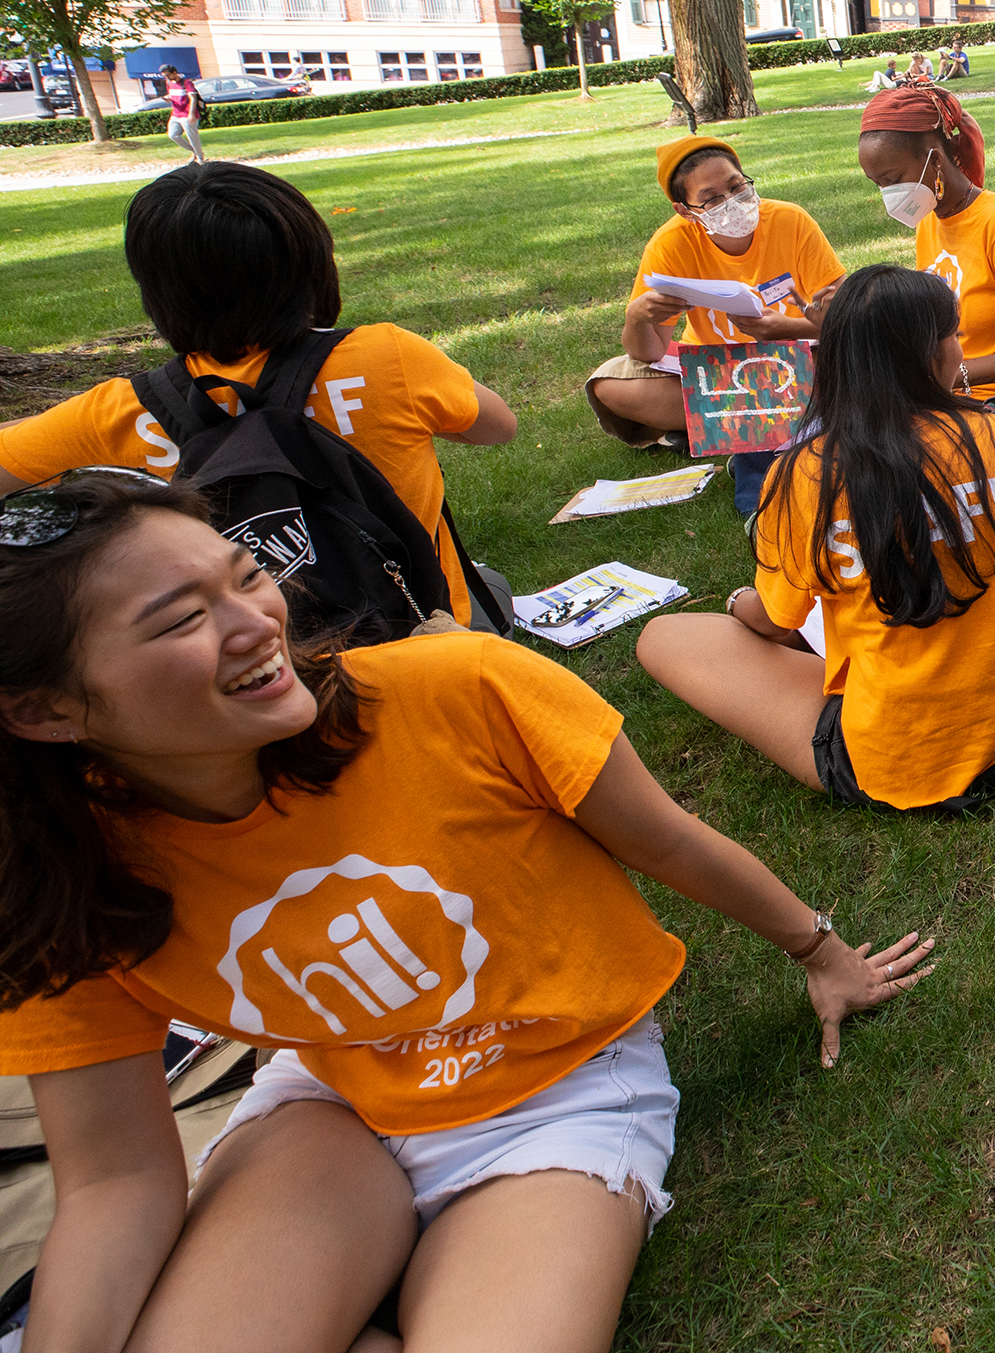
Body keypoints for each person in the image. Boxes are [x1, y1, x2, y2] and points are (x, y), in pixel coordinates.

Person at [0, 471, 934, 1349]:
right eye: (180, 622)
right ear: (44, 712)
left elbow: (667, 840)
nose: (253, 623)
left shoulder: (462, 689)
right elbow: (114, 1178)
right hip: (335, 1104)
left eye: (246, 575)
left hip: (557, 1092)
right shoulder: (60, 880)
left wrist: (821, 951)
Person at [0, 163, 514, 626]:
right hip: (420, 628)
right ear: (313, 264)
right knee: (492, 586)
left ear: (157, 292)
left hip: (255, 658)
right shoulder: (389, 358)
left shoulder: (119, 412)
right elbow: (497, 427)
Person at [636, 267, 995, 810]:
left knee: (666, 635)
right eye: (956, 334)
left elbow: (776, 621)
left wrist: (739, 604)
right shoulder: (993, 433)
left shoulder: (805, 473)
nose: (960, 349)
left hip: (892, 757)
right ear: (932, 352)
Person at [583, 135, 844, 449]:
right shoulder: (671, 244)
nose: (731, 202)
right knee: (608, 384)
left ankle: (725, 422)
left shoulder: (791, 221)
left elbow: (849, 318)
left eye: (737, 187)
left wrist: (789, 329)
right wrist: (636, 318)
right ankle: (789, 416)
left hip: (797, 361)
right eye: (712, 199)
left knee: (857, 361)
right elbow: (649, 353)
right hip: (715, 371)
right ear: (685, 210)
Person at [854, 85, 995, 400]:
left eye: (893, 179)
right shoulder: (929, 218)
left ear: (936, 160)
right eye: (878, 185)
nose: (888, 194)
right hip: (948, 395)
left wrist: (952, 376)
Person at [158, 64, 204, 161]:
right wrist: (168, 98)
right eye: (165, 76)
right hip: (176, 114)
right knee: (172, 135)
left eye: (168, 75)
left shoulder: (187, 83)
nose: (167, 77)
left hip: (187, 114)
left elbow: (192, 98)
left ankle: (200, 158)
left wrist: (191, 114)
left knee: (192, 137)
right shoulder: (169, 83)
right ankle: (195, 151)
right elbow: (172, 95)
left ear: (174, 73)